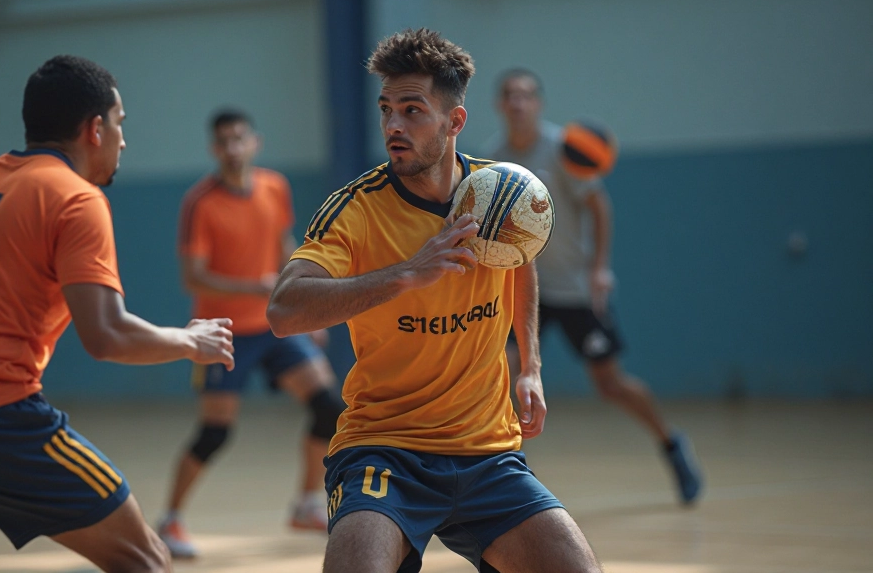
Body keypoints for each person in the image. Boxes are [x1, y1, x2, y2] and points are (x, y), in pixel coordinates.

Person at [0, 55, 236, 573]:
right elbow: (106, 336)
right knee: (145, 558)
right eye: (120, 124)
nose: (124, 140)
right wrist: (189, 341)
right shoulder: (76, 198)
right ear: (94, 129)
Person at [268, 29, 602, 573]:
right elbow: (284, 310)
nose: (393, 126)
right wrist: (404, 274)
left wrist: (531, 365)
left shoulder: (500, 191)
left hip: (488, 451)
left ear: (455, 122)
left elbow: (522, 262)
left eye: (412, 110)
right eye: (386, 110)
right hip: (384, 449)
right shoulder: (354, 210)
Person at [486, 67, 703, 504]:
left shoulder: (564, 149)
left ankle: (671, 443)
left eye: (527, 94)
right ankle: (501, 473)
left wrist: (599, 268)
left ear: (538, 103)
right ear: (500, 104)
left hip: (574, 290)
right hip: (524, 289)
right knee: (501, 371)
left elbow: (599, 207)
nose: (518, 102)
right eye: (510, 94)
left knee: (610, 383)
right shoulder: (495, 158)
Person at [157, 109, 345, 558]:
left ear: (254, 143)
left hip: (276, 326)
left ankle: (305, 504)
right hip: (223, 332)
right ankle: (170, 521)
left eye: (239, 138)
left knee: (328, 407)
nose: (232, 147)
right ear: (214, 148)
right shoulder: (200, 202)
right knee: (215, 432)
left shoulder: (274, 187)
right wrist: (253, 287)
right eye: (223, 141)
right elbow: (194, 277)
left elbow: (286, 247)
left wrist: (308, 312)